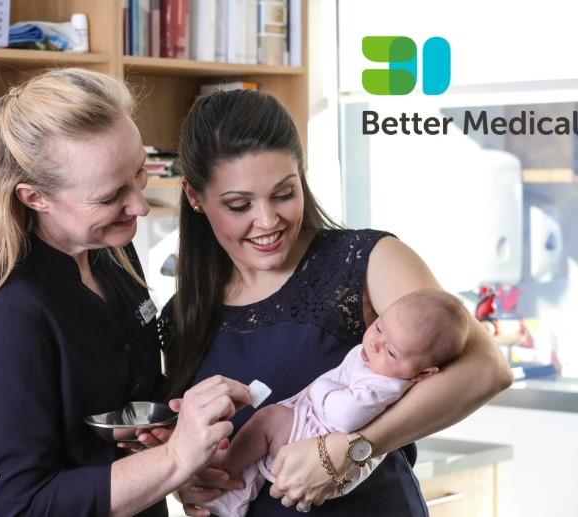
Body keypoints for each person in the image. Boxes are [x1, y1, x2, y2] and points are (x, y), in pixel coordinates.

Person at [156, 89, 513, 516]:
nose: (268, 221)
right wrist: (190, 481)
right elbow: (194, 450)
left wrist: (353, 448)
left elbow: (488, 368)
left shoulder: (365, 259)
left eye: (284, 193)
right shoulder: (181, 314)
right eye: (239, 204)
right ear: (194, 196)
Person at [0, 68, 251, 516]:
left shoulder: (110, 252)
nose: (138, 207)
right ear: (34, 197)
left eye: (139, 174)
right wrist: (173, 459)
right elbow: (22, 505)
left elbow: (109, 419)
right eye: (111, 195)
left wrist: (172, 459)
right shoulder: (5, 313)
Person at [201, 288, 470, 517]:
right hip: (319, 430)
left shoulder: (384, 384)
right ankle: (233, 499)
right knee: (261, 447)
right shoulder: (379, 361)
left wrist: (320, 389)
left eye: (391, 350)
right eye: (378, 326)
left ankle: (226, 467)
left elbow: (345, 417)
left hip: (323, 441)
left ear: (423, 373)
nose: (375, 343)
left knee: (267, 420)